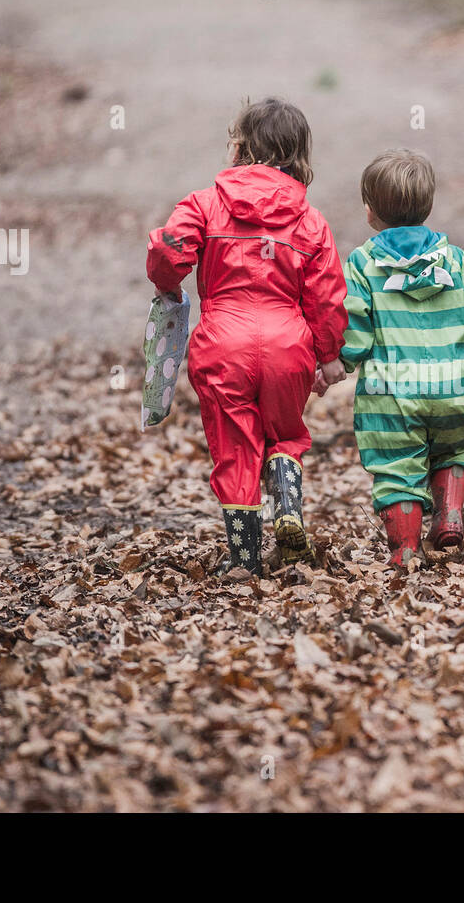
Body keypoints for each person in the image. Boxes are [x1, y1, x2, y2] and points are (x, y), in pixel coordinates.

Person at [145, 97, 347, 575]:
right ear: (300, 156)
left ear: (239, 147)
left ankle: (244, 558)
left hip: (222, 345)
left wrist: (168, 282)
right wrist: (329, 354)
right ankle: (288, 504)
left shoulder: (205, 204)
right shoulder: (309, 220)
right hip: (287, 347)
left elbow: (168, 248)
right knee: (285, 434)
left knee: (236, 445)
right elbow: (327, 295)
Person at [319, 149, 464, 566]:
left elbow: (354, 326)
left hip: (393, 395)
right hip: (455, 387)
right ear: (428, 208)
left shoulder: (363, 263)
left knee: (396, 467)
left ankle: (406, 551)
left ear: (370, 211)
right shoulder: (459, 261)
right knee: (455, 449)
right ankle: (448, 513)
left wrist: (335, 365)